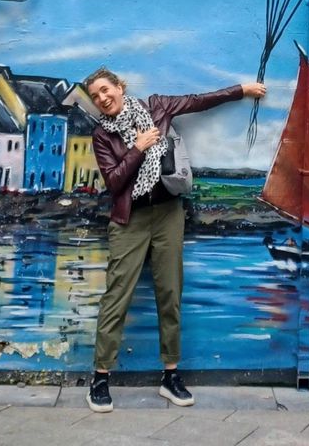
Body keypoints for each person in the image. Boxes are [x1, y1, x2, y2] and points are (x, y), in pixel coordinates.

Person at [83, 66, 266, 413]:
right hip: (129, 220)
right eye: (96, 96)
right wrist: (138, 148)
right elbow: (114, 183)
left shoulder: (157, 107)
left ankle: (170, 376)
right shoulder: (101, 136)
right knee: (116, 296)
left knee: (170, 293)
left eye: (107, 90)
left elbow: (199, 102)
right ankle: (101, 378)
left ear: (121, 87)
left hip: (168, 215)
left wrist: (239, 90)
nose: (103, 98)